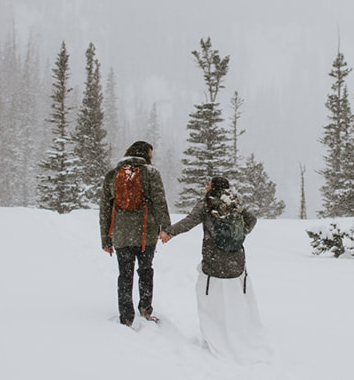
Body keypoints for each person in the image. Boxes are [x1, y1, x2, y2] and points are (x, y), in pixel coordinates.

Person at [160, 176, 266, 359]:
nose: (205, 186)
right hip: (236, 262)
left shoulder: (206, 204)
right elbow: (252, 219)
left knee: (211, 302)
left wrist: (169, 232)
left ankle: (215, 336)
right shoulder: (234, 202)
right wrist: (239, 235)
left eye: (208, 184)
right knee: (233, 301)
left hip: (214, 262)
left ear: (213, 187)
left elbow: (189, 222)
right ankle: (237, 333)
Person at [99, 140, 172, 327]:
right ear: (145, 154)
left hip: (121, 234)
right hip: (145, 233)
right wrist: (166, 228)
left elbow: (105, 210)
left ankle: (125, 316)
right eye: (150, 154)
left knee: (125, 274)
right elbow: (159, 201)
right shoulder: (151, 174)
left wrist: (106, 239)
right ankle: (146, 309)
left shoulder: (113, 174)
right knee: (145, 270)